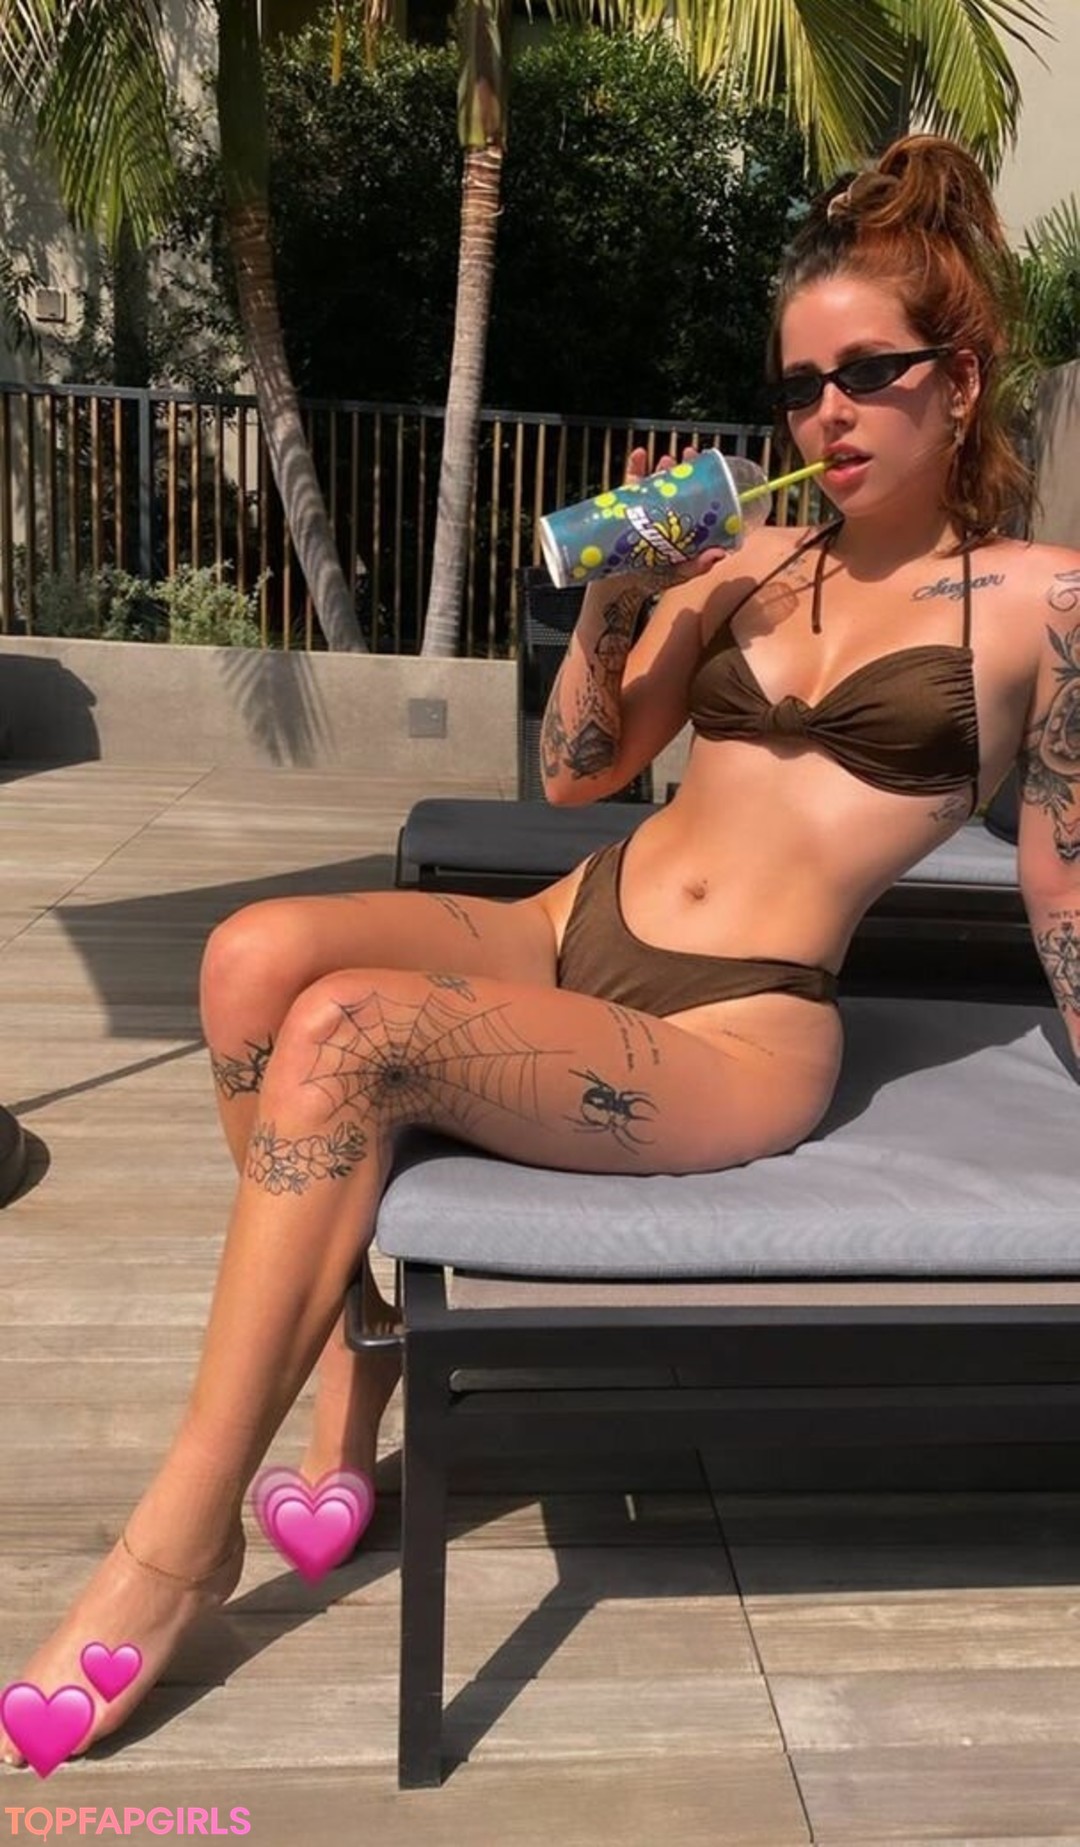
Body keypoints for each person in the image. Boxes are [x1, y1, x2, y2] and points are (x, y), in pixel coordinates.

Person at [3, 131, 1079, 1768]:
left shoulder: (1043, 604)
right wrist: (624, 604)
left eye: (871, 373)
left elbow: (1063, 879)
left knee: (351, 1033)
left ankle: (180, 1540)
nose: (830, 416)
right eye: (801, 387)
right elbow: (583, 772)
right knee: (252, 958)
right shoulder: (748, 561)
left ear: (965, 377)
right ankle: (359, 1348)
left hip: (738, 1029)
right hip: (574, 923)